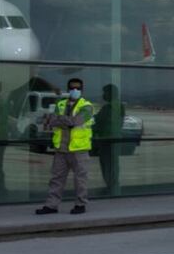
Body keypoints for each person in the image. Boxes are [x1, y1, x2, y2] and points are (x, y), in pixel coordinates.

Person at [36, 77, 93, 215]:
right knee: (56, 179)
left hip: (79, 149)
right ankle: (51, 206)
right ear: (68, 89)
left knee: (80, 179)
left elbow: (75, 121)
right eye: (73, 88)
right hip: (61, 149)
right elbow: (48, 121)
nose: (75, 90)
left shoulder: (86, 106)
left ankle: (80, 204)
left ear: (82, 90)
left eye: (78, 88)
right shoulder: (60, 104)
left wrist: (58, 120)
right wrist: (62, 121)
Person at [94, 83, 124, 194]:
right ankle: (113, 187)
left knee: (108, 166)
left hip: (107, 141)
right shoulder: (119, 106)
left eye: (105, 92)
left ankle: (111, 188)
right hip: (113, 140)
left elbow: (98, 122)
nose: (103, 95)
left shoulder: (108, 108)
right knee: (113, 166)